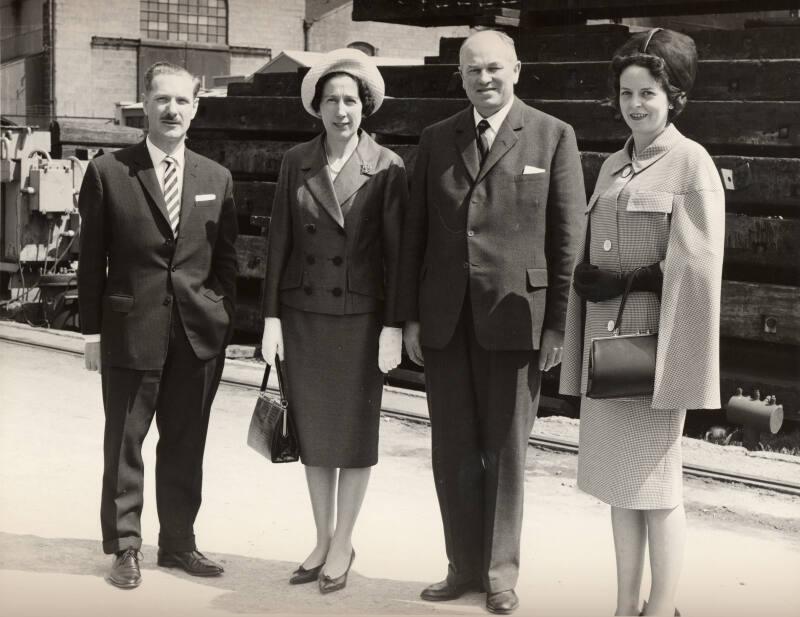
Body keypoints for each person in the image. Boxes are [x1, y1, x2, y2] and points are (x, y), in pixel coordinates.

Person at [398, 30, 585, 615]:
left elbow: (567, 239)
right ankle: (461, 567)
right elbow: (414, 238)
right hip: (445, 322)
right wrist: (407, 318)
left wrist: (557, 325)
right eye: (473, 70)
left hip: (517, 321)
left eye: (495, 69)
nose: (485, 79)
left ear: (517, 71)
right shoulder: (435, 140)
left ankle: (500, 573)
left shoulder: (554, 136)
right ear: (460, 76)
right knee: (452, 450)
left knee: (505, 452)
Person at [559, 28, 725, 617]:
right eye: (627, 92)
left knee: (656, 487)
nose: (635, 104)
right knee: (617, 486)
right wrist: (585, 282)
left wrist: (631, 280)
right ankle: (626, 604)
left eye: (648, 92)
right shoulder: (610, 165)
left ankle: (663, 608)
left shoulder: (690, 162)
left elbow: (701, 264)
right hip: (609, 344)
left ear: (673, 96)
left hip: (657, 349)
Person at [78, 61, 238, 588]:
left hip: (197, 336)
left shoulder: (217, 177)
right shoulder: (108, 171)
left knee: (186, 442)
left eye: (183, 102)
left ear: (196, 108)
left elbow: (227, 260)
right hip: (130, 329)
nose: (173, 110)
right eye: (163, 100)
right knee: (125, 442)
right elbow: (91, 259)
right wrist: (92, 334)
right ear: (145, 103)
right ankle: (125, 546)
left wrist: (220, 316)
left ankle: (178, 544)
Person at [260, 48, 406, 594]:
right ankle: (321, 538)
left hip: (359, 319)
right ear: (316, 107)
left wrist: (394, 326)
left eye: (350, 100)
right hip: (303, 316)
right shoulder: (295, 161)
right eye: (331, 101)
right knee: (314, 433)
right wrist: (270, 317)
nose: (341, 110)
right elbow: (279, 241)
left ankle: (344, 540)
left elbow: (397, 256)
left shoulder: (388, 167)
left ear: (365, 107)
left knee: (354, 435)